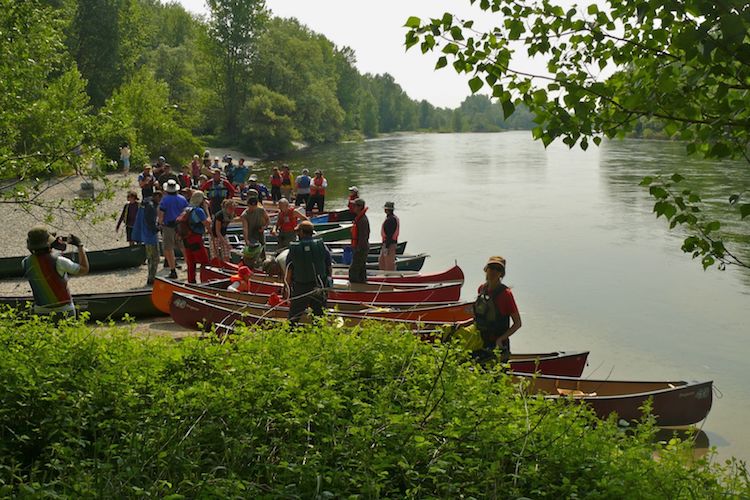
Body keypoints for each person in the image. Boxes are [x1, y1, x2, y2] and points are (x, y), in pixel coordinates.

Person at [23, 227, 89, 318]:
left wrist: (52, 244)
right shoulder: (59, 261)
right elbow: (84, 269)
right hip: (64, 310)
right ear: (48, 243)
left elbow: (41, 258)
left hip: (40, 311)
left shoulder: (25, 262)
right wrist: (80, 246)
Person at [473, 256, 522, 363]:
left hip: (498, 346)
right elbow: (478, 316)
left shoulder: (506, 294)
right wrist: (463, 324)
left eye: (498, 269)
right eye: (491, 267)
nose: (494, 271)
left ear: (502, 274)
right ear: (486, 269)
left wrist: (501, 339)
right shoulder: (482, 289)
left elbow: (518, 323)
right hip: (481, 342)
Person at [285, 221, 332, 323]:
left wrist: (287, 289)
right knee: (319, 317)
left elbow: (289, 271)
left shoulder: (294, 248)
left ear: (302, 232)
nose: (297, 234)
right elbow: (329, 267)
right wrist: (327, 284)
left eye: (298, 231)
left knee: (293, 317)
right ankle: (321, 336)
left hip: (300, 287)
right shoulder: (321, 247)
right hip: (318, 285)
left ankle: (290, 334)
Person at [158, 179, 188, 279]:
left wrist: (159, 223)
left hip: (168, 226)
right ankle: (189, 267)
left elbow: (161, 215)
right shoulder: (182, 199)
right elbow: (186, 213)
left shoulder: (164, 200)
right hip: (180, 226)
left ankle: (173, 270)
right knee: (183, 247)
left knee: (168, 248)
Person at [181, 191, 211, 284]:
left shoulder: (186, 209)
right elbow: (207, 223)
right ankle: (204, 281)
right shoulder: (198, 210)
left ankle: (191, 281)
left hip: (186, 238)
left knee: (191, 262)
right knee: (204, 261)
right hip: (195, 238)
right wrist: (207, 210)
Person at [132, 191, 162, 285]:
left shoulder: (145, 205)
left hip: (146, 235)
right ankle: (152, 278)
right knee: (155, 258)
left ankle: (151, 277)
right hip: (151, 235)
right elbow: (150, 221)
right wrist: (157, 228)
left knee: (150, 258)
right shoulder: (151, 206)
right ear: (157, 196)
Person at [241, 188, 270, 266]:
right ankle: (250, 265)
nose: (253, 208)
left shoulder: (261, 210)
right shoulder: (244, 215)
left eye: (255, 206)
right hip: (251, 234)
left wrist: (264, 227)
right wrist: (246, 239)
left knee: (262, 250)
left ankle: (263, 265)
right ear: (248, 205)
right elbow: (245, 228)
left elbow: (267, 220)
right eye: (251, 206)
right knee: (251, 253)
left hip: (260, 232)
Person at [349, 198, 370, 283]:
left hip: (361, 249)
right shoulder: (360, 218)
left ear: (360, 207)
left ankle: (355, 288)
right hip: (359, 248)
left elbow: (364, 236)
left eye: (355, 205)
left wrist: (358, 249)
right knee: (361, 269)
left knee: (353, 271)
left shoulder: (363, 220)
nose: (353, 207)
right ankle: (362, 285)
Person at [210, 198, 236, 262]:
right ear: (226, 208)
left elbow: (234, 219)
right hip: (215, 235)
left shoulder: (231, 214)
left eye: (233, 208)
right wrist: (226, 243)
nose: (232, 210)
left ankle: (226, 264)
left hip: (223, 234)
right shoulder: (220, 215)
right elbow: (217, 231)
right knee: (215, 255)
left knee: (226, 254)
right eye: (230, 208)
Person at [378, 201, 400, 271]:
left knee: (389, 264)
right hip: (387, 243)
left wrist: (387, 247)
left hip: (390, 244)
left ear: (388, 210)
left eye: (385, 209)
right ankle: (383, 276)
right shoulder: (390, 218)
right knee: (382, 261)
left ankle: (390, 277)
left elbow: (389, 235)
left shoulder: (391, 220)